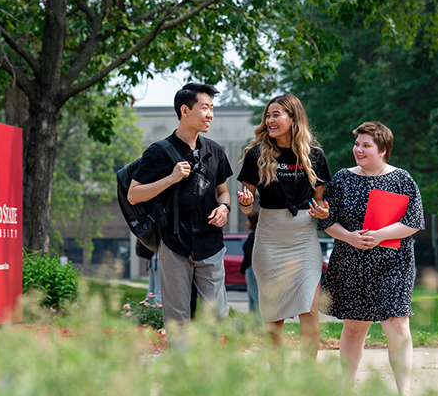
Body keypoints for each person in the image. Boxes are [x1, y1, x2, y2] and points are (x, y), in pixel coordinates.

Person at [317, 121, 424, 396]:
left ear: (383, 150)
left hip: (394, 265)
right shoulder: (341, 178)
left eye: (366, 145)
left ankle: (405, 394)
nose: (358, 150)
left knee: (397, 325)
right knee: (354, 326)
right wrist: (349, 237)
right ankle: (347, 389)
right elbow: (327, 219)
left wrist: (378, 235)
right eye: (357, 144)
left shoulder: (403, 179)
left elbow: (413, 221)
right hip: (351, 262)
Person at [127, 83, 232, 337]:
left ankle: (206, 367)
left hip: (210, 242)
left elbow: (223, 191)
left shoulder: (214, 150)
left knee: (216, 313)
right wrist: (170, 179)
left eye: (212, 109)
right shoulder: (159, 152)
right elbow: (133, 195)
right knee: (178, 318)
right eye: (205, 108)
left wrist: (225, 208)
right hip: (174, 243)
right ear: (185, 110)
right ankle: (183, 372)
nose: (210, 115)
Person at [236, 94, 331, 357]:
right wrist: (245, 201)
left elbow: (321, 203)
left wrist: (322, 212)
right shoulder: (257, 154)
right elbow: (246, 205)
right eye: (268, 115)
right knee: (273, 317)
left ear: (293, 118)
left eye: (276, 115)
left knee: (309, 312)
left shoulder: (315, 155)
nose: (270, 120)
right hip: (269, 241)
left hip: (303, 241)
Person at [239, 212, 259, 313]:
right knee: (254, 294)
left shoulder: (253, 236)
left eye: (248, 221)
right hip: (255, 268)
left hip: (251, 268)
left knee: (254, 294)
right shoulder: (259, 236)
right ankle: (253, 320)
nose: (247, 223)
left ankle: (256, 321)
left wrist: (242, 269)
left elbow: (248, 256)